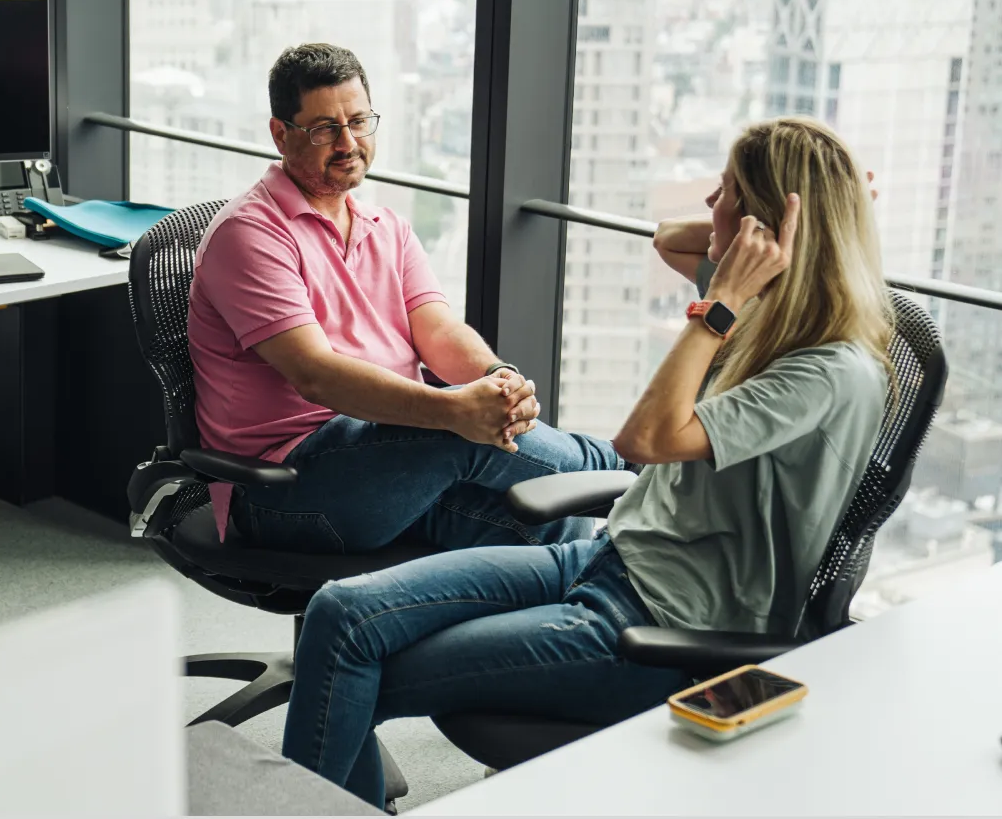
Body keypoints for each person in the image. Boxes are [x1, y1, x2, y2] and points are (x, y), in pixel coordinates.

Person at [278, 117, 894, 807]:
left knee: (348, 661)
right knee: (339, 613)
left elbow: (645, 439)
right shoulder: (774, 305)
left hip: (661, 626)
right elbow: (669, 240)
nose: (708, 209)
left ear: (761, 226)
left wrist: (719, 304)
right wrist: (791, 232)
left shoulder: (823, 369)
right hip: (609, 560)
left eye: (724, 195)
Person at [186, 42, 627, 552]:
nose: (348, 142)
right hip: (283, 488)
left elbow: (437, 332)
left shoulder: (385, 226)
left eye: (359, 121)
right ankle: (631, 472)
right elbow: (315, 374)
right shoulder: (250, 234)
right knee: (454, 433)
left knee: (556, 524)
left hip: (390, 464)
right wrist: (454, 412)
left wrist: (497, 381)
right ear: (281, 134)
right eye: (325, 128)